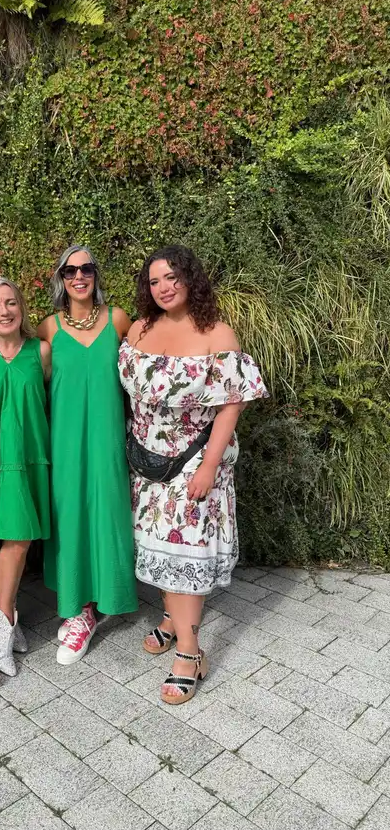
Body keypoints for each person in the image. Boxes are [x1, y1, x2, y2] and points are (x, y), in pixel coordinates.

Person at [119, 245, 268, 704]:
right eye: (154, 281)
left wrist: (207, 467)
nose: (163, 287)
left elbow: (232, 405)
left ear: (190, 279)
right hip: (146, 463)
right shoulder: (139, 329)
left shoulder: (216, 333)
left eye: (172, 277)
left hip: (194, 464)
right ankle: (171, 618)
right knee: (159, 549)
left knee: (186, 557)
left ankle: (189, 653)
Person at [38, 245, 138, 665]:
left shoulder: (118, 320)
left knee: (107, 516)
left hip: (107, 439)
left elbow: (147, 369)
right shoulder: (48, 328)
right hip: (63, 442)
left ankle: (102, 602)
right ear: (60, 278)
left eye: (86, 268)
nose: (79, 276)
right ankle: (79, 610)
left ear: (96, 274)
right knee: (70, 519)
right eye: (70, 270)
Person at [0, 277, 51, 676]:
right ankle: (7, 619)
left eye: (11, 302)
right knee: (11, 541)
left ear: (22, 308)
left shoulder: (41, 351)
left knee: (18, 540)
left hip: (27, 459)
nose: (4, 311)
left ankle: (2, 624)